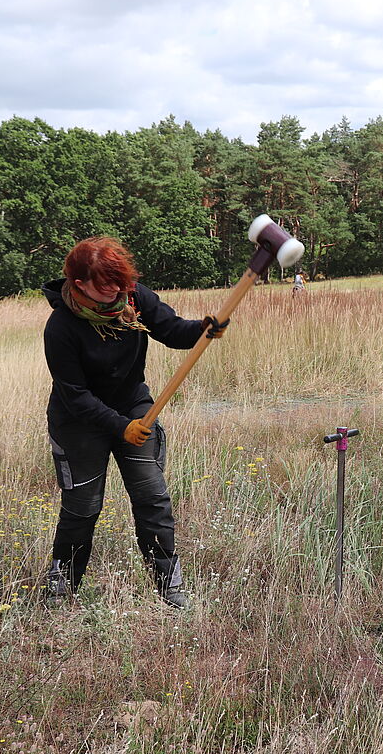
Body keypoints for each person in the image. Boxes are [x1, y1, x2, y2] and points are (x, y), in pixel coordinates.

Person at [41, 237, 227, 609]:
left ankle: (169, 588)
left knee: (153, 499)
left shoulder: (134, 298)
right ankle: (61, 591)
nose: (117, 290)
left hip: (135, 408)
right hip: (79, 422)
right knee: (83, 508)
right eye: (106, 284)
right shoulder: (61, 327)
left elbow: (172, 330)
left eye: (121, 281)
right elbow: (76, 396)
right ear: (79, 285)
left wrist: (202, 329)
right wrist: (119, 426)